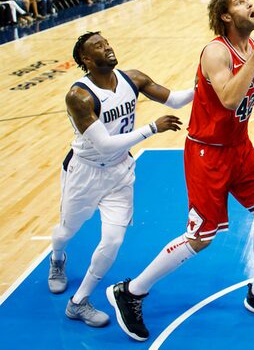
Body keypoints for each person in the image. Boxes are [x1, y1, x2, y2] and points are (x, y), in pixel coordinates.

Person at [107, 0, 254, 341]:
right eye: (240, 2)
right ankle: (131, 292)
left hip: (239, 147)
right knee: (200, 238)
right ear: (226, 16)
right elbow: (227, 99)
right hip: (207, 152)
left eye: (248, 0)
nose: (250, 4)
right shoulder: (215, 52)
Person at [49, 32, 191, 327]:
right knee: (66, 231)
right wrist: (153, 127)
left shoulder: (133, 78)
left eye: (107, 42)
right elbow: (104, 144)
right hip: (85, 172)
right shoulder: (79, 96)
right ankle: (57, 257)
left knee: (113, 241)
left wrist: (204, 85)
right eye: (99, 46)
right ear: (87, 59)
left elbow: (175, 100)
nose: (108, 47)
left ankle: (78, 302)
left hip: (120, 172)